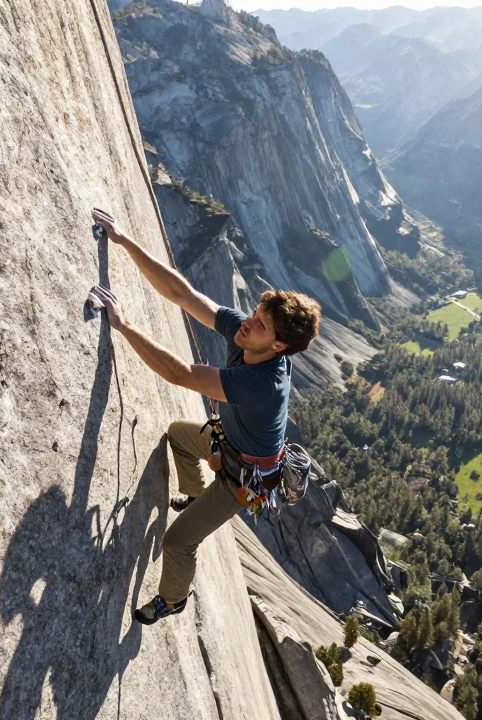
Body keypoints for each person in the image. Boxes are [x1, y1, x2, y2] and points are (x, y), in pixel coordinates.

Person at [87, 208, 321, 626]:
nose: (246, 324)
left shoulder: (263, 384)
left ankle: (172, 599)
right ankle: (195, 495)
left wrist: (122, 326)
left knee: (178, 541)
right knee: (178, 436)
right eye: (254, 315)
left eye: (260, 326)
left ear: (279, 347)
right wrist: (122, 240)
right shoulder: (250, 335)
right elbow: (184, 295)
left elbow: (180, 373)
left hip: (242, 480)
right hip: (228, 442)